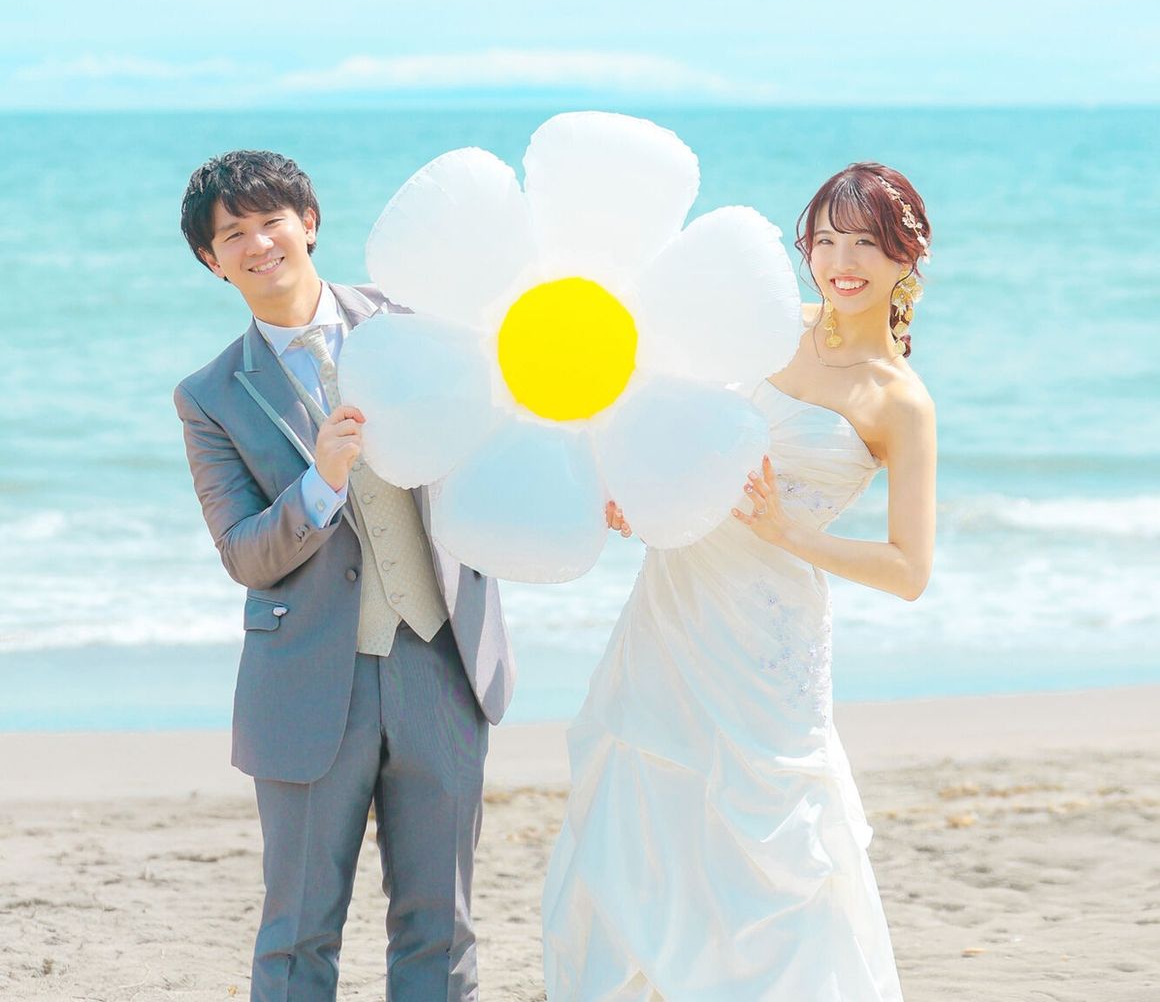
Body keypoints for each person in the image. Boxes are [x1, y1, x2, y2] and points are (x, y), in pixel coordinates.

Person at [541, 162, 936, 1001]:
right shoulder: (767, 326)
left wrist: (790, 533)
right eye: (825, 240)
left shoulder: (898, 401)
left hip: (767, 638)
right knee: (642, 815)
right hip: (673, 605)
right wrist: (634, 493)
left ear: (906, 256)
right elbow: (670, 421)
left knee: (770, 851)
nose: (841, 262)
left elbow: (909, 571)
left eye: (865, 243)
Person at [173, 150, 515, 1002]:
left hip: (442, 660)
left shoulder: (409, 324)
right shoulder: (210, 395)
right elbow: (245, 553)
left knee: (441, 926)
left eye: (273, 221)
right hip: (307, 685)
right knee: (298, 932)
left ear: (310, 224)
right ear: (212, 261)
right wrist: (320, 484)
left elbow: (506, 427)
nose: (259, 244)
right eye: (234, 235)